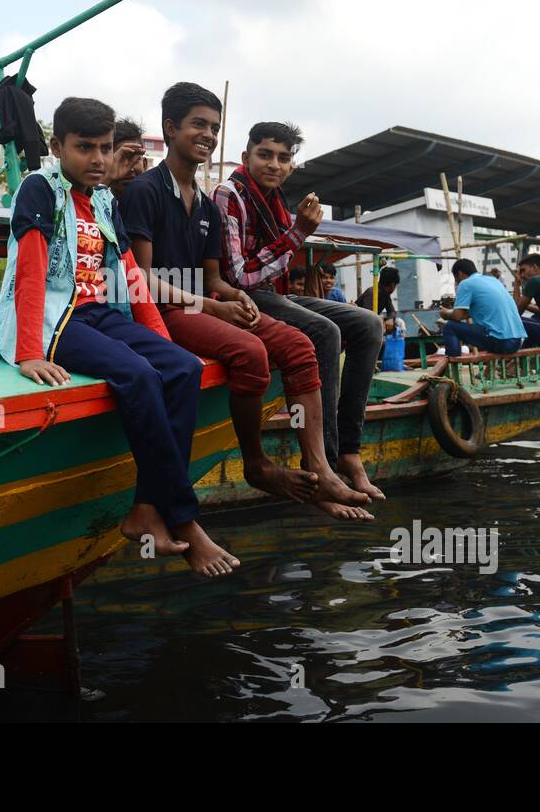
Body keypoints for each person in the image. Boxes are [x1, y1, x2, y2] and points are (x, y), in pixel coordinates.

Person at [0, 95, 238, 577]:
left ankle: (146, 509)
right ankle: (186, 522)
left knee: (182, 367)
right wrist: (26, 353)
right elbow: (30, 273)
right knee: (139, 376)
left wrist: (160, 337)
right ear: (56, 146)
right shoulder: (38, 188)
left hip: (100, 312)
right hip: (54, 319)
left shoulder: (105, 197)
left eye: (105, 148)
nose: (99, 160)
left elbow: (128, 274)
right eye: (85, 148)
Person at [121, 89, 373, 522]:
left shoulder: (202, 203)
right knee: (252, 351)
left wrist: (233, 297)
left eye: (214, 127)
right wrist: (215, 303)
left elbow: (219, 276)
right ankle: (256, 464)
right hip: (164, 310)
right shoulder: (146, 191)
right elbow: (139, 280)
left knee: (298, 346)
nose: (207, 134)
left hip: (204, 301)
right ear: (170, 129)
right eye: (198, 124)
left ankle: (319, 466)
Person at [212, 120, 386, 501]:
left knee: (369, 324)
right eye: (265, 155)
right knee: (325, 332)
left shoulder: (275, 200)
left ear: (291, 165)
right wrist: (299, 233)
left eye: (283, 158)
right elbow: (239, 277)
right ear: (246, 157)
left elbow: (275, 268)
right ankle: (319, 462)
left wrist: (296, 231)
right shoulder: (230, 195)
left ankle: (349, 453)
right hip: (238, 296)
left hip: (273, 295)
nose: (274, 164)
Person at [439, 258, 526, 356]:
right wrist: (452, 312)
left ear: (459, 274)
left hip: (501, 341)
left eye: (456, 279)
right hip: (517, 341)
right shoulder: (493, 280)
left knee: (449, 327)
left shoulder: (465, 284)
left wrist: (445, 314)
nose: (457, 283)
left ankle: (452, 363)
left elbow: (457, 316)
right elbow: (466, 313)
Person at [100, 116, 148, 198]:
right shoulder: (94, 201)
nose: (129, 169)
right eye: (121, 159)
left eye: (135, 160)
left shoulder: (158, 201)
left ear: (144, 164)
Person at [357, 265, 400, 332]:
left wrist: (390, 319)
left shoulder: (385, 294)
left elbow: (391, 311)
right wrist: (382, 321)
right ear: (392, 285)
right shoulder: (372, 292)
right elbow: (367, 316)